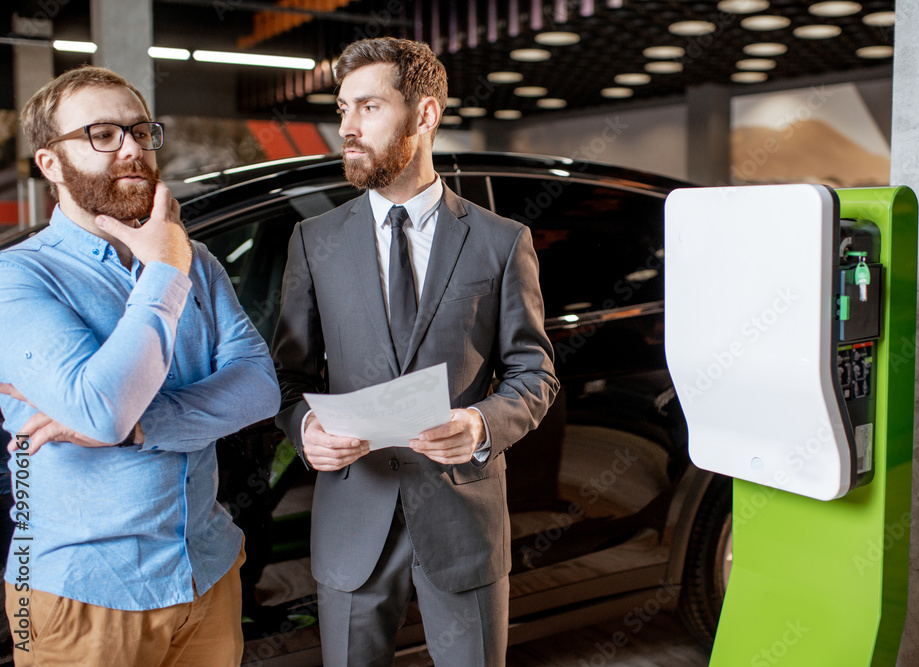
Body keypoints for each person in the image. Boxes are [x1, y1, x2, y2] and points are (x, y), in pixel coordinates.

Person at [271, 37, 559, 666]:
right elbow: (286, 378)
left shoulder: (501, 242)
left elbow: (534, 373)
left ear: (424, 115)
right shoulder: (314, 241)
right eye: (343, 109)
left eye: (368, 107)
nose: (346, 127)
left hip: (463, 515)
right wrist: (305, 429)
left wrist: (483, 423)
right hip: (353, 514)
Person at [0, 65, 281, 666]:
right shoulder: (19, 276)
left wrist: (141, 426)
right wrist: (162, 271)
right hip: (83, 593)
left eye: (138, 130)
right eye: (101, 134)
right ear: (50, 163)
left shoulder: (194, 258)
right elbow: (100, 409)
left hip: (204, 571)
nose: (130, 149)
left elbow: (259, 387)